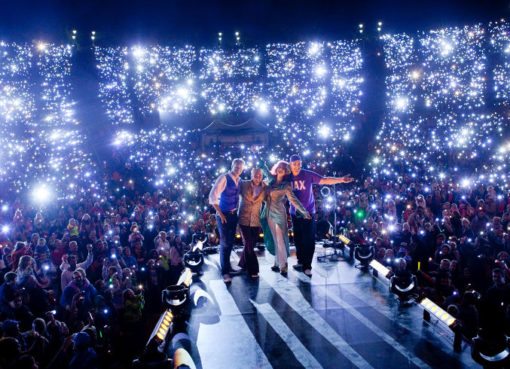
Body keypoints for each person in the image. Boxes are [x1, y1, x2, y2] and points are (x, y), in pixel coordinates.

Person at [289, 154, 353, 276]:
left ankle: (307, 266)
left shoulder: (307, 174)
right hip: (295, 213)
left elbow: (325, 179)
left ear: (301, 164)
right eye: (294, 164)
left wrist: (340, 179)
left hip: (309, 213)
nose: (297, 166)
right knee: (298, 240)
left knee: (309, 240)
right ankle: (301, 261)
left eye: (299, 164)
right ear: (290, 165)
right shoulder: (288, 177)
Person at [261, 161, 311, 276]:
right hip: (268, 213)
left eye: (283, 168)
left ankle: (283, 265)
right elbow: (263, 166)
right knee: (274, 238)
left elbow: (293, 200)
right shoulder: (271, 180)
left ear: (286, 171)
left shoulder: (286, 185)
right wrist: (255, 153)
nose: (280, 169)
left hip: (279, 213)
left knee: (281, 239)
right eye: (279, 167)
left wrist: (304, 212)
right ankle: (277, 262)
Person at [208, 158, 244, 283]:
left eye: (240, 167)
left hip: (233, 215)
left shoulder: (240, 180)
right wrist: (220, 213)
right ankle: (225, 272)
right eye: (236, 167)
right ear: (232, 166)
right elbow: (212, 196)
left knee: (230, 242)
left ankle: (228, 268)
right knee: (224, 243)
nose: (238, 169)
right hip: (223, 215)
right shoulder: (224, 178)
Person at [238, 168, 266, 278]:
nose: (257, 177)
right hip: (243, 219)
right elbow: (233, 192)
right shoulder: (244, 184)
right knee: (249, 244)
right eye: (255, 175)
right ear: (251, 175)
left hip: (255, 220)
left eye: (259, 175)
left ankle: (243, 264)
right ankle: (253, 270)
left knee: (250, 245)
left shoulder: (265, 187)